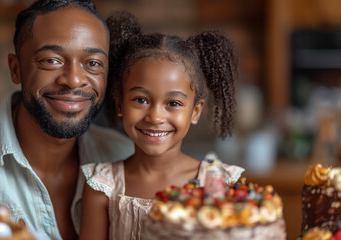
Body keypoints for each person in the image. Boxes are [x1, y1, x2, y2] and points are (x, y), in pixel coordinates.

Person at [0, 1, 133, 239]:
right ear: (16, 69)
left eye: (92, 63)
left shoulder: (126, 159)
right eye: (51, 60)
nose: (73, 80)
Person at [79, 12, 244, 240]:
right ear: (119, 104)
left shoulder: (220, 186)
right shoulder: (102, 187)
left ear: (195, 111)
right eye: (141, 100)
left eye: (173, 103)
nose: (155, 117)